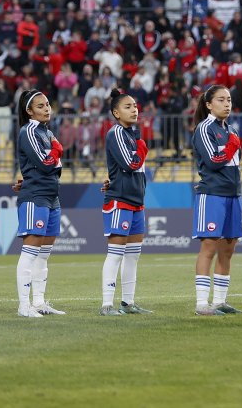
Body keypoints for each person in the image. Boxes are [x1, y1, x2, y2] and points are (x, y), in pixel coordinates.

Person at [99, 88, 152, 316]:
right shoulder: (117, 133)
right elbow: (131, 163)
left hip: (136, 200)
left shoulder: (131, 134)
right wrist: (141, 147)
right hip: (120, 200)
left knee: (133, 254)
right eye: (128, 107)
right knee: (115, 253)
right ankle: (106, 304)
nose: (134, 110)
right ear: (116, 112)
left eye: (135, 106)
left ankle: (128, 303)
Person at [192, 85, 242, 316]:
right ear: (209, 104)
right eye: (221, 100)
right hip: (212, 194)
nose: (227, 104)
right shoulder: (204, 128)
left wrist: (232, 142)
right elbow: (213, 161)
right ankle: (202, 303)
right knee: (209, 247)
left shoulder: (231, 129)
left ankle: (220, 301)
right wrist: (233, 144)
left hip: (233, 194)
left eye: (229, 100)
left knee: (228, 248)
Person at [14, 89, 65, 317]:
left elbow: (56, 167)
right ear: (29, 111)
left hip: (51, 196)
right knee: (30, 251)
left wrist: (53, 154)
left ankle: (39, 302)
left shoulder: (47, 132)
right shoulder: (29, 131)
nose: (46, 109)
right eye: (40, 106)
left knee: (44, 253)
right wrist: (55, 151)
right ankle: (24, 306)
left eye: (47, 105)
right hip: (35, 195)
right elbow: (46, 164)